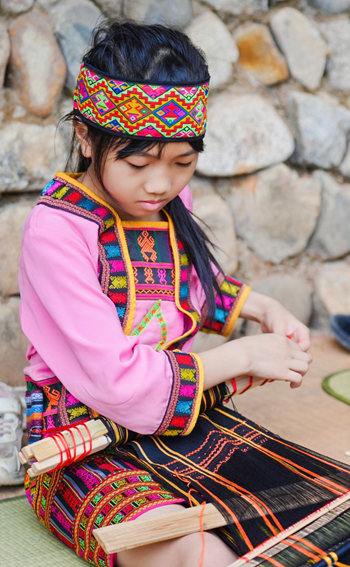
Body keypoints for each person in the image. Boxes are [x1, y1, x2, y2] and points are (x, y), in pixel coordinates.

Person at [18, 22, 312, 566]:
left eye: (182, 162)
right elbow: (119, 382)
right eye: (138, 163)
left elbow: (188, 293)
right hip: (80, 435)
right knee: (190, 549)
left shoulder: (167, 202)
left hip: (176, 415)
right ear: (85, 136)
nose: (160, 185)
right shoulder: (56, 232)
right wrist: (244, 354)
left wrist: (263, 308)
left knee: (301, 517)